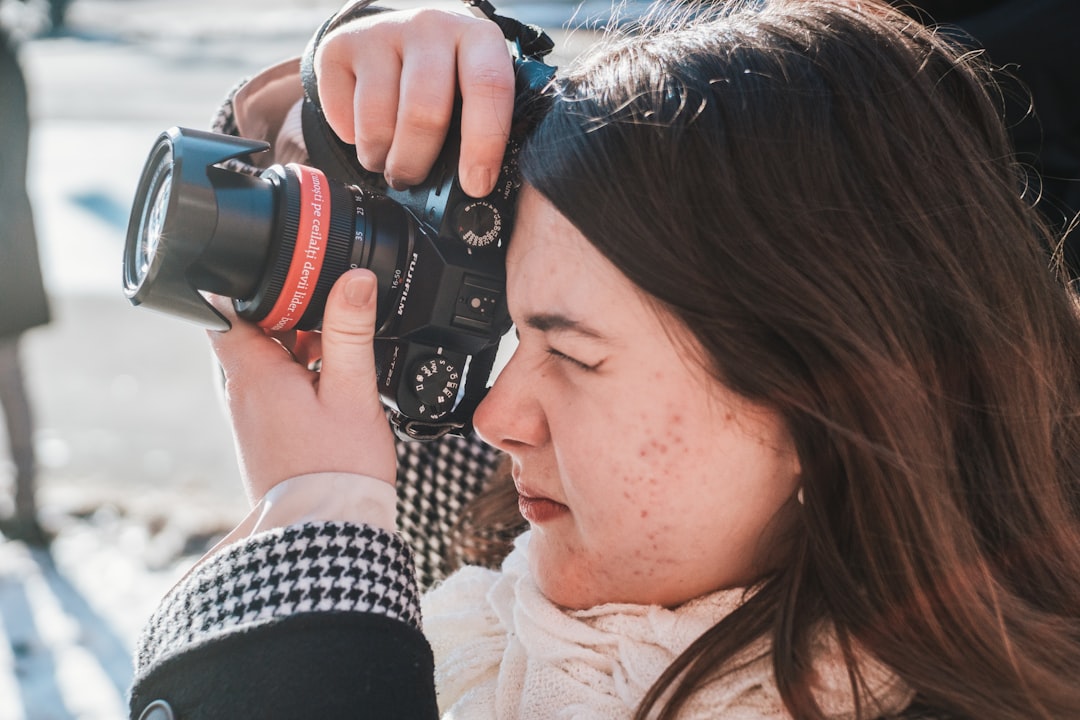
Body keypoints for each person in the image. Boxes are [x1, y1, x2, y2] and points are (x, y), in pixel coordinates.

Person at [127, 0, 1080, 718]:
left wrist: (313, 553)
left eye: (572, 355)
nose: (496, 415)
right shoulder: (537, 562)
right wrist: (356, 82)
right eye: (514, 329)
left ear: (838, 403)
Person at [0, 24, 51, 547]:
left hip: (2, 241)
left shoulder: (4, 58)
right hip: (7, 235)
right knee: (10, 376)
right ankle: (26, 505)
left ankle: (27, 506)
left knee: (8, 375)